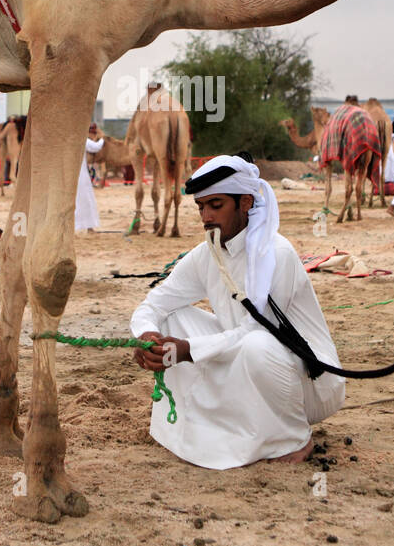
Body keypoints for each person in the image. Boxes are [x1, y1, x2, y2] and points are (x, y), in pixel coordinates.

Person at [129, 154, 346, 469]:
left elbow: (258, 331)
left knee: (256, 346)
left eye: (216, 206)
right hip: (249, 364)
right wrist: (147, 336)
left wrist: (188, 350)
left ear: (245, 202)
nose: (206, 217)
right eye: (201, 207)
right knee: (169, 319)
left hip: (310, 383)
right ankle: (209, 427)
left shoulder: (278, 254)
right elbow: (155, 303)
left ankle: (295, 438)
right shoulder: (206, 254)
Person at [75, 135, 105, 231]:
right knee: (86, 200)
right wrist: (102, 138)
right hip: (81, 175)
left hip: (66, 175)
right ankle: (89, 227)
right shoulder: (80, 137)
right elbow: (96, 147)